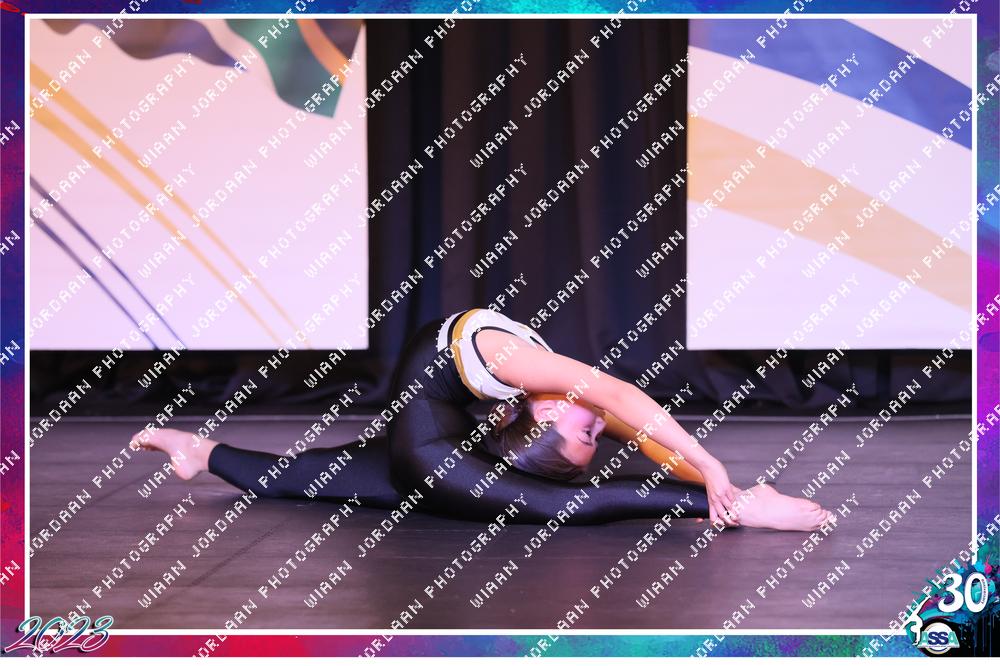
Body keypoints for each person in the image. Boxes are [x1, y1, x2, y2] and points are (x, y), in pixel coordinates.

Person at [133, 307, 833, 529]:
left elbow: (634, 421)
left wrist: (718, 480)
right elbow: (627, 406)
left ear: (545, 417)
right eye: (593, 432)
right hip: (427, 452)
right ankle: (739, 511)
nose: (599, 424)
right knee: (564, 508)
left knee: (304, 477)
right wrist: (718, 480)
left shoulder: (537, 387)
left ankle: (199, 452)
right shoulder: (528, 374)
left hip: (428, 450)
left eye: (586, 433)